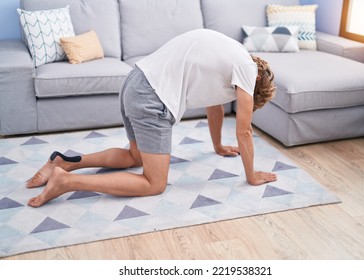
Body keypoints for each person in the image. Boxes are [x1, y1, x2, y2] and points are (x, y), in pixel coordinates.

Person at [27, 29, 277, 207]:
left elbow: (215, 107)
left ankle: (65, 162)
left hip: (135, 82)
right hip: (152, 98)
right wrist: (251, 175)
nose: (243, 101)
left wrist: (218, 146)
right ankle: (67, 181)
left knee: (135, 156)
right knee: (154, 183)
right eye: (249, 99)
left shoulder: (232, 53)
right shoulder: (247, 69)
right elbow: (244, 130)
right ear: (256, 81)